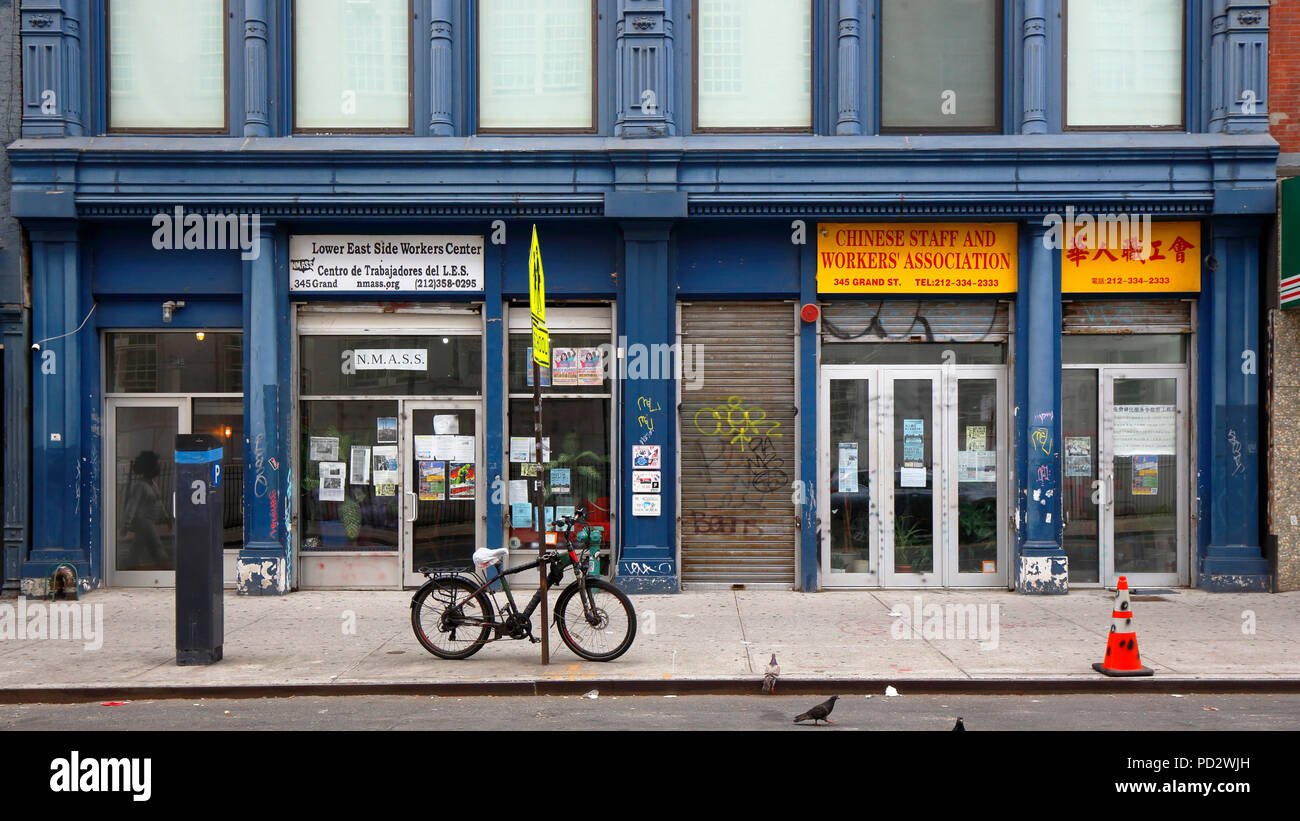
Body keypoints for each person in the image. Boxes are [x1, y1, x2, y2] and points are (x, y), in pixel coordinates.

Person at [122, 451, 171, 569]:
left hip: (149, 521)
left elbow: (158, 503)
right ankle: (166, 571)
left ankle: (129, 565)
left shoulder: (153, 484)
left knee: (137, 548)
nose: (158, 467)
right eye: (156, 465)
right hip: (144, 521)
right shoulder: (140, 486)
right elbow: (132, 505)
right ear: (150, 467)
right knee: (157, 548)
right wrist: (126, 524)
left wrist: (166, 517)